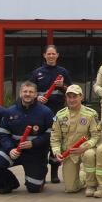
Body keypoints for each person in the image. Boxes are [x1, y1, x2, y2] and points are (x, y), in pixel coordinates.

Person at [0, 81, 54, 194]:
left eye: (31, 92)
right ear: (20, 93)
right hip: (15, 150)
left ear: (36, 94)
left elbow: (50, 134)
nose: (27, 94)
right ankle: (11, 182)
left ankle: (40, 175)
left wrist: (34, 143)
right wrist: (10, 149)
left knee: (34, 189)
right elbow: (3, 134)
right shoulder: (10, 111)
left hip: (35, 153)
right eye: (25, 91)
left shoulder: (46, 112)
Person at [29, 44, 73, 184]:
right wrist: (36, 98)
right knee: (43, 143)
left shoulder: (63, 72)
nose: (51, 56)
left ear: (57, 55)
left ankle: (54, 173)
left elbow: (71, 92)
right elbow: (29, 91)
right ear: (44, 55)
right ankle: (41, 172)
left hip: (57, 112)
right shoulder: (37, 73)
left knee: (56, 142)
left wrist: (62, 86)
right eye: (49, 54)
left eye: (53, 54)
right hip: (40, 114)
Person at [50, 85, 101, 196]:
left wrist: (85, 147)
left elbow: (96, 136)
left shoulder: (91, 114)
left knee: (90, 155)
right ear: (66, 98)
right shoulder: (59, 115)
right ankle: (83, 176)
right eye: (69, 97)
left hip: (85, 150)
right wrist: (56, 152)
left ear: (81, 97)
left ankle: (91, 185)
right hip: (69, 153)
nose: (72, 100)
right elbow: (55, 137)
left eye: (75, 97)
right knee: (70, 189)